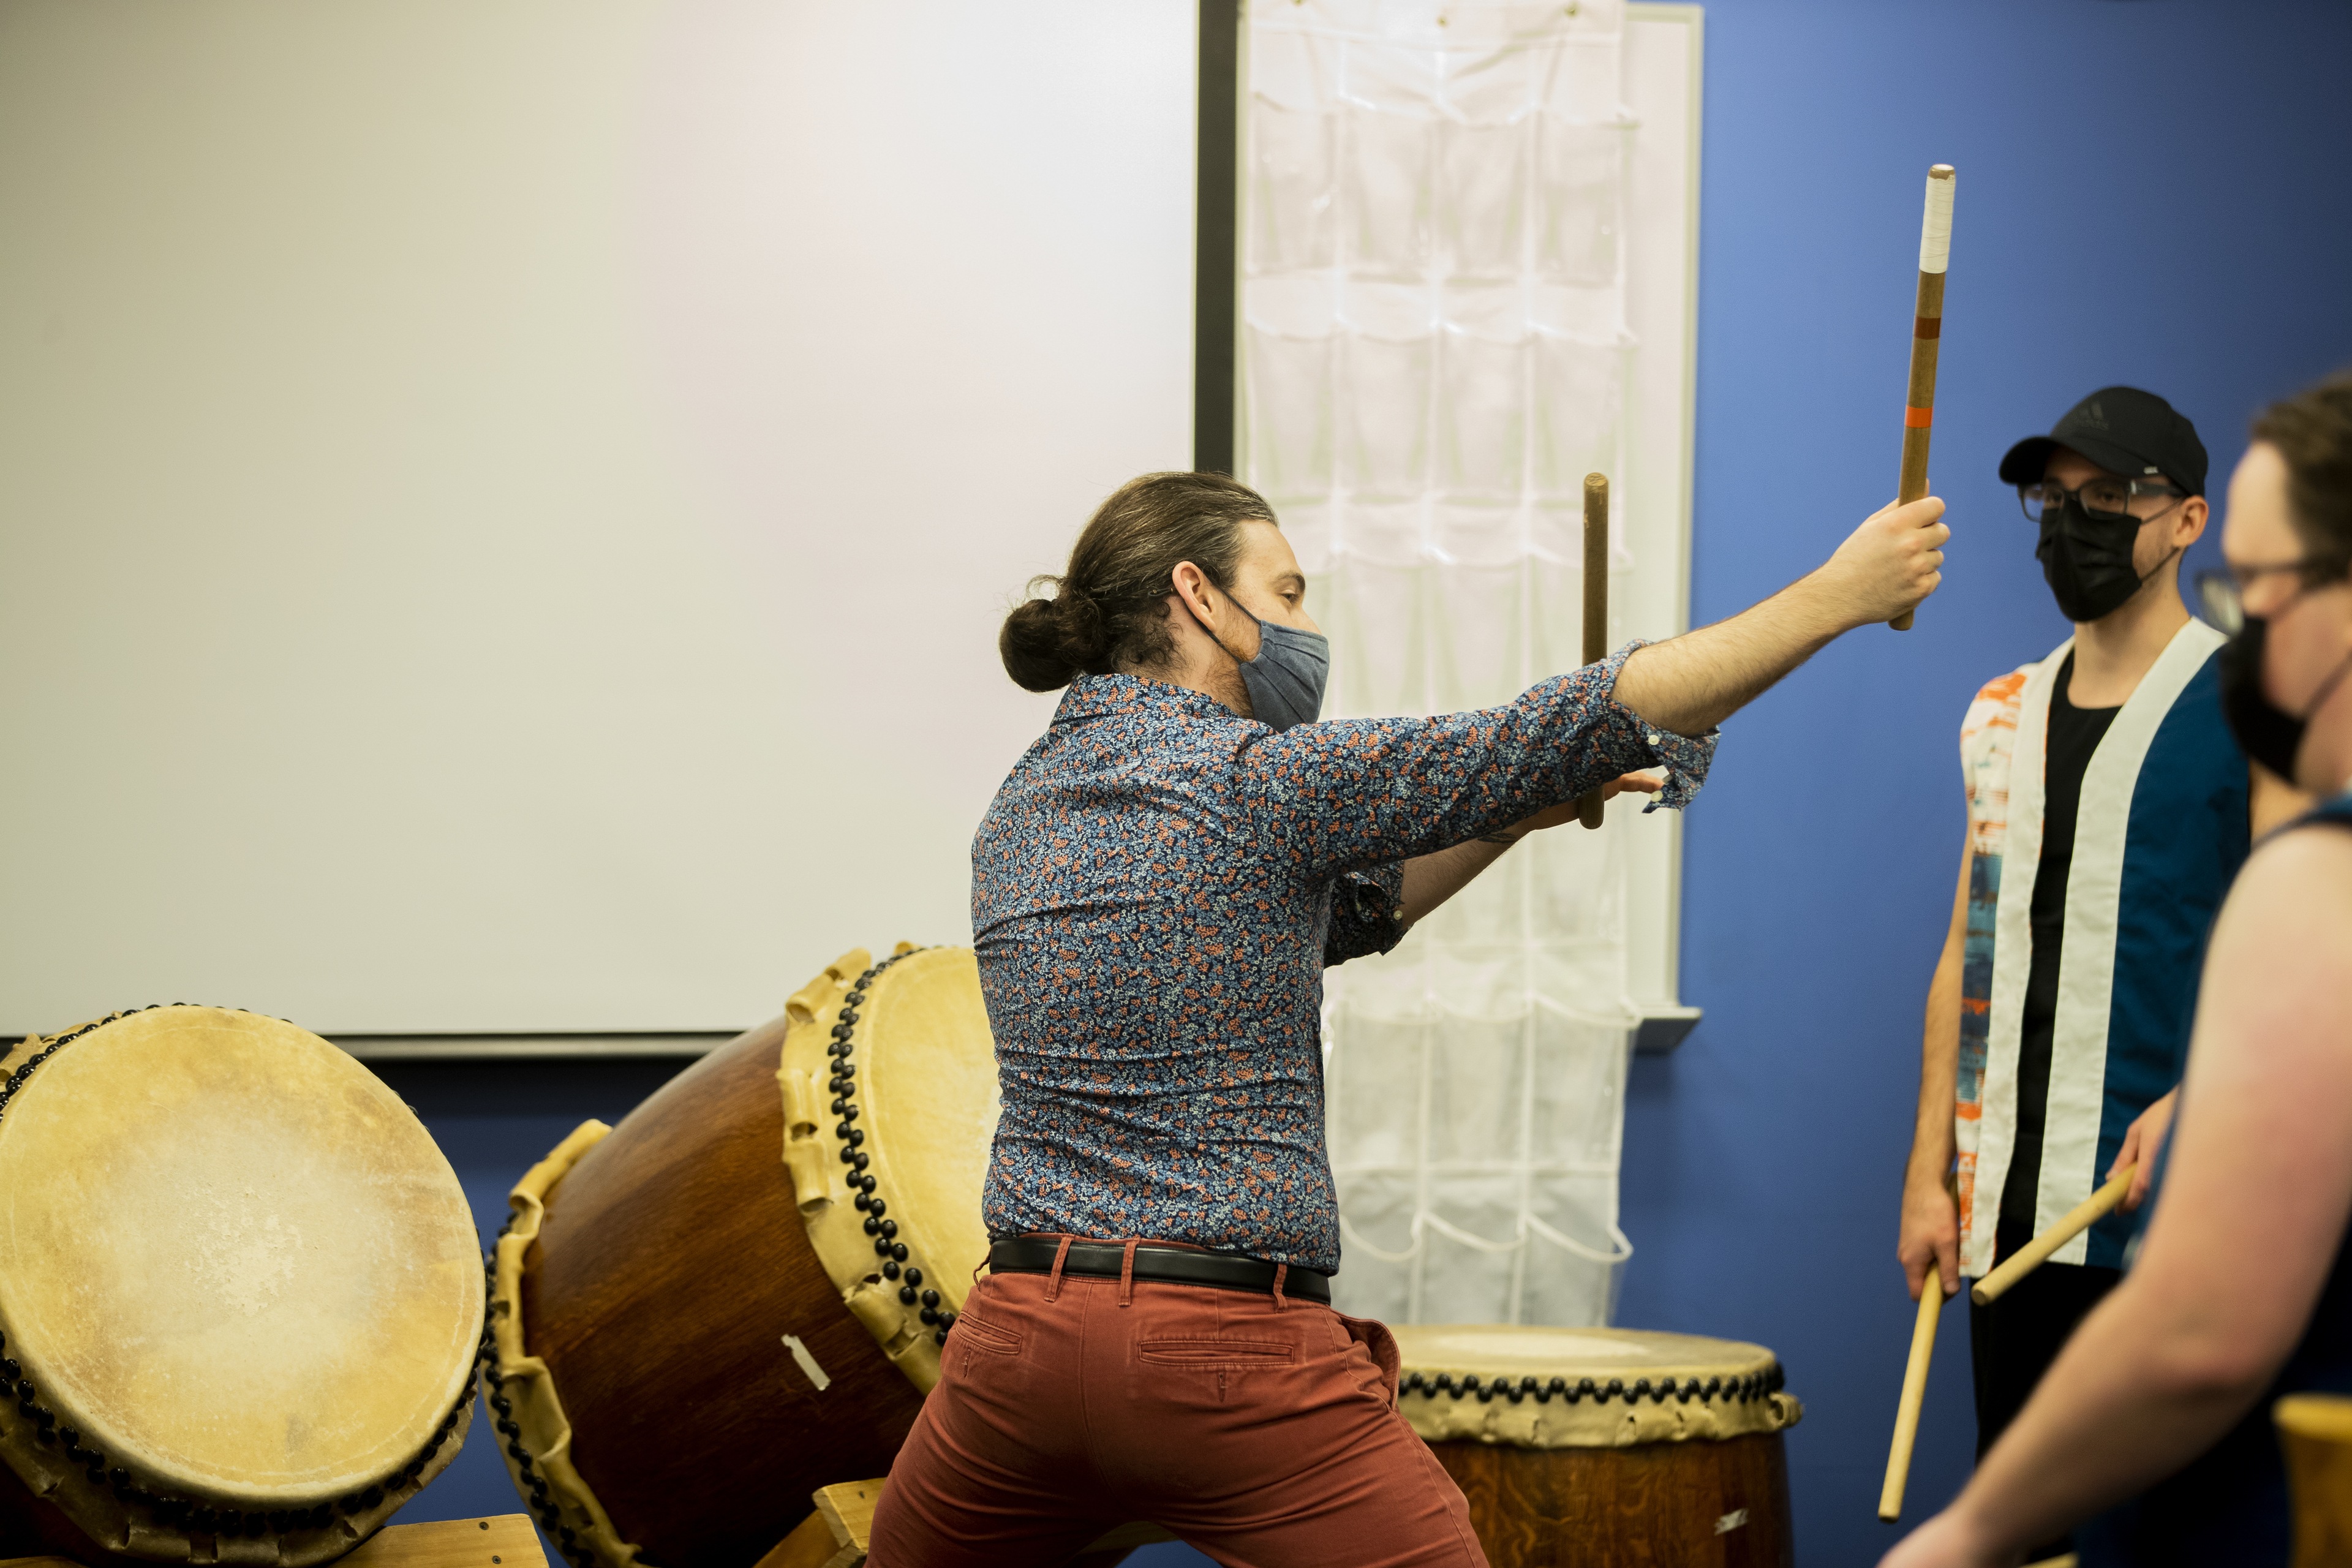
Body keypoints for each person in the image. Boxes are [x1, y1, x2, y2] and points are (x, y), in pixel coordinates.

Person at [867, 469, 1947, 1566]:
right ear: (1196, 595)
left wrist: (1521, 811)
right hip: (1227, 1355)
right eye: (1286, 595)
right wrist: (1840, 592)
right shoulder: (1254, 782)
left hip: (1018, 1353)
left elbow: (1346, 910)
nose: (1308, 626)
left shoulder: (1020, 810)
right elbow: (1571, 721)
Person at [1882, 371, 2352, 1567]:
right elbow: (1964, 948)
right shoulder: (1997, 709)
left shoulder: (2252, 705)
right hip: (2002, 1211)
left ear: (2189, 520)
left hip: (2161, 1205)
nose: (2074, 520)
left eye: (2110, 496)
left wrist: (2196, 1102)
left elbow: (2309, 929)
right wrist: (1930, 1168)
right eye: (2056, 496)